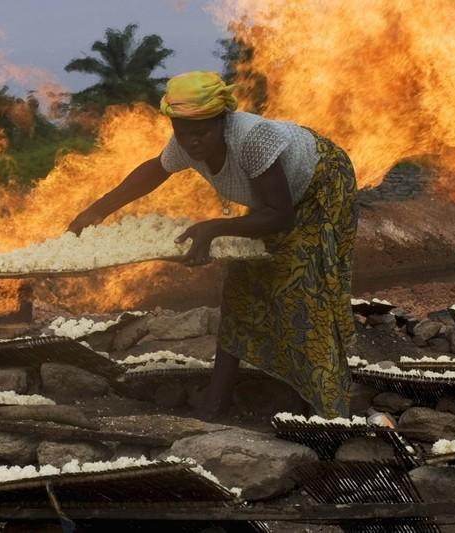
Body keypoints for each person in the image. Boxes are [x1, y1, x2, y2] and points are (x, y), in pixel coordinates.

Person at [68, 71, 358, 419]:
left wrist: (216, 228)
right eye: (183, 131)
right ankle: (217, 401)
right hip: (274, 203)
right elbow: (153, 172)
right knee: (241, 288)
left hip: (319, 188)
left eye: (203, 130)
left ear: (223, 120)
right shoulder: (186, 142)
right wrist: (97, 210)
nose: (193, 141)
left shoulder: (253, 139)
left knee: (302, 290)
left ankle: (327, 409)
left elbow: (281, 217)